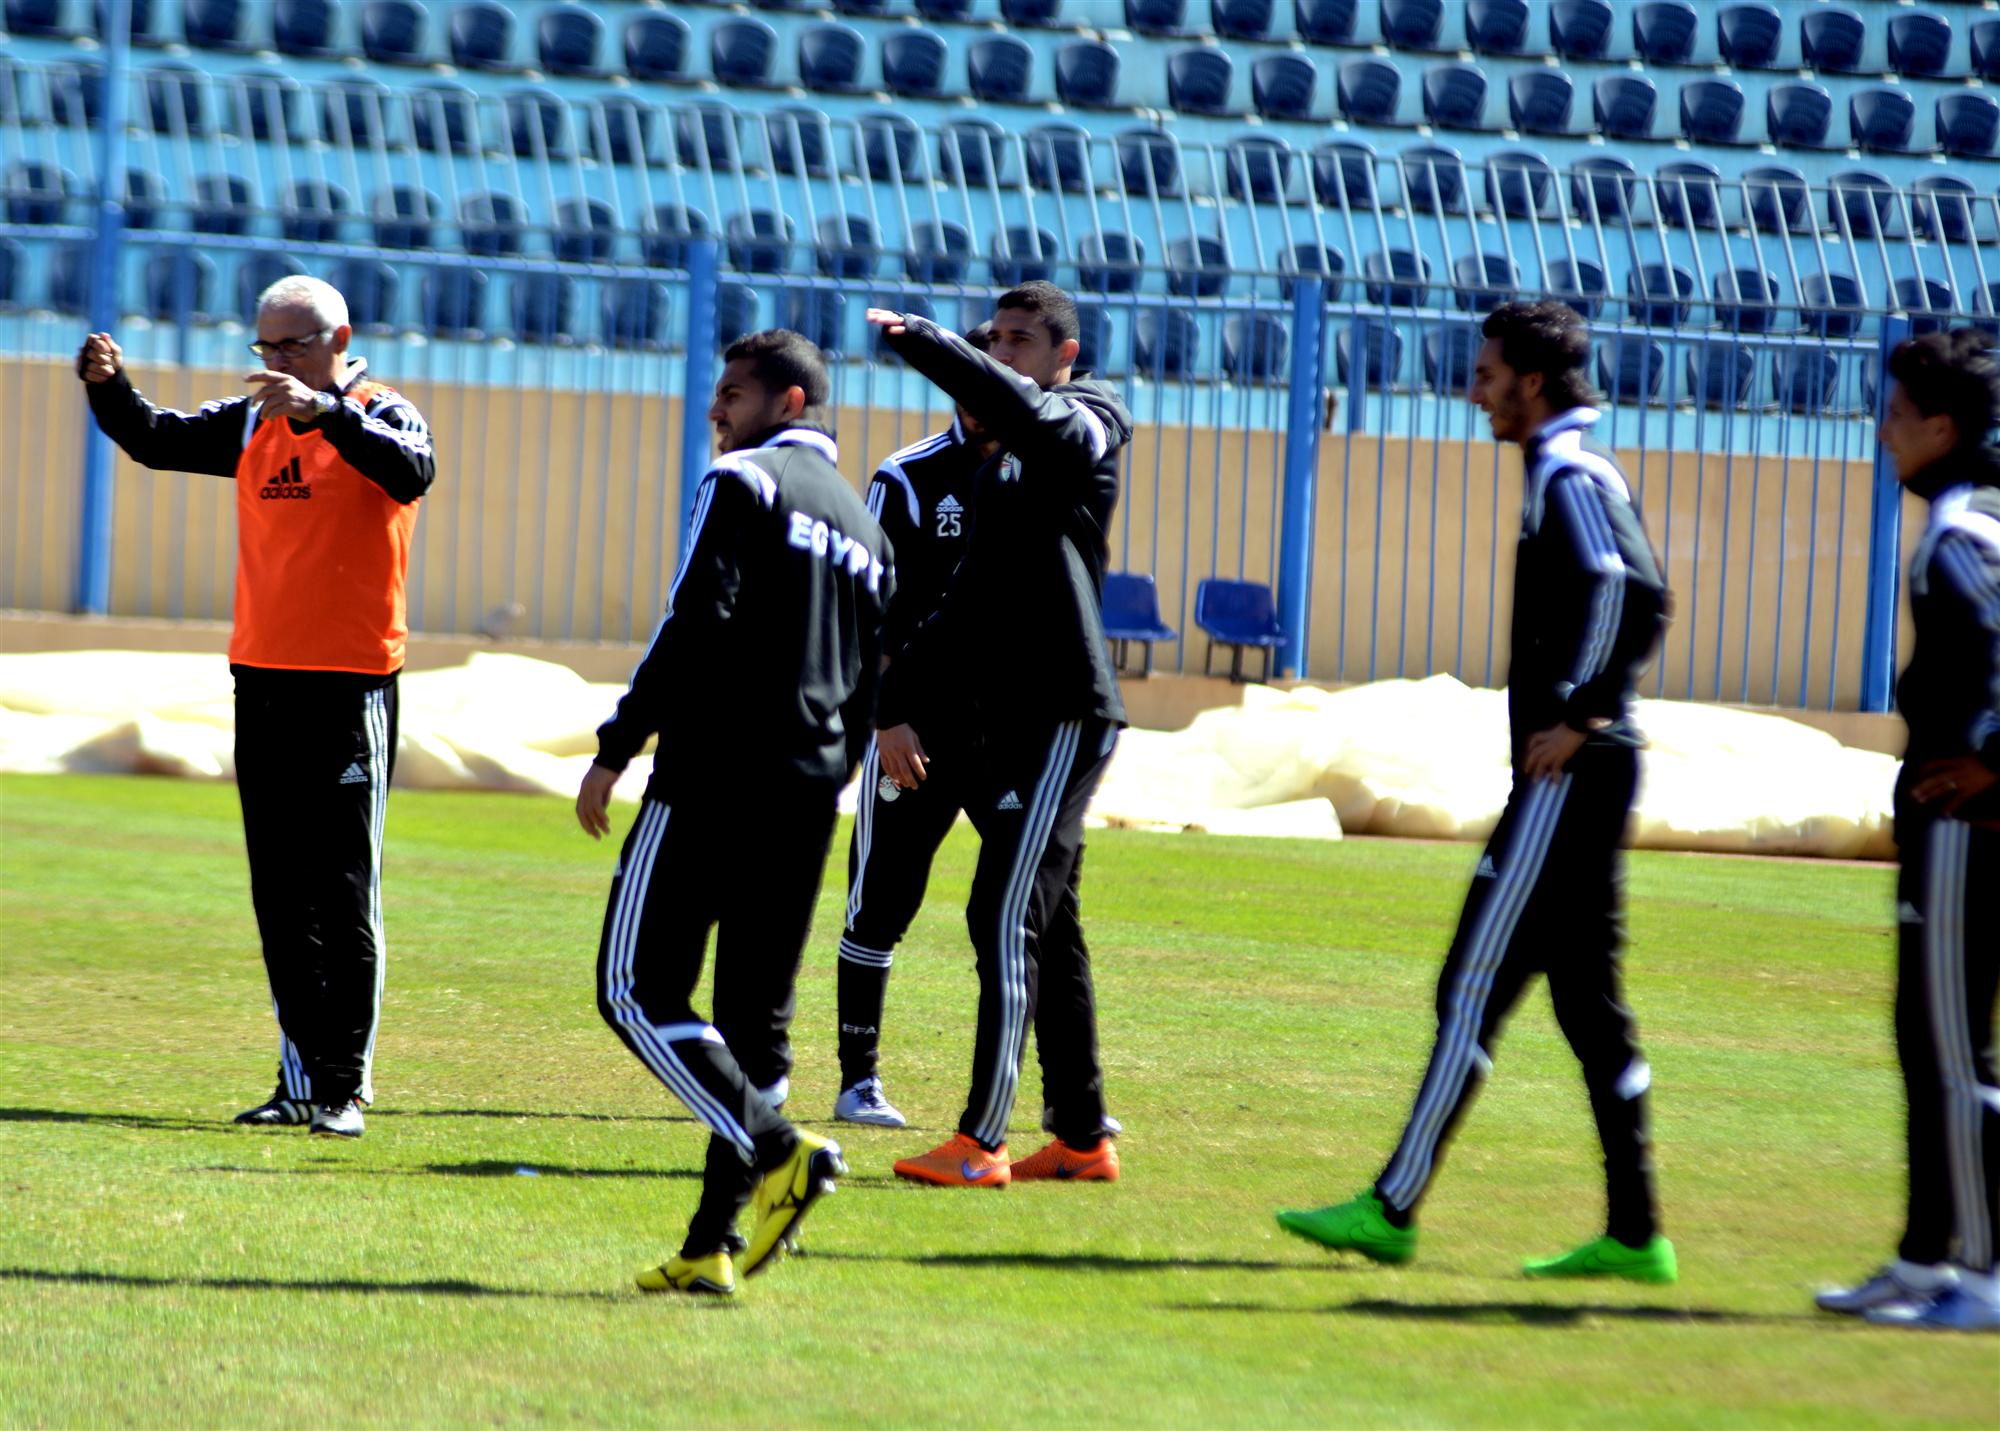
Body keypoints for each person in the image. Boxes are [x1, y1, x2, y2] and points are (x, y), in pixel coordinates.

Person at [1275, 301, 1677, 1283]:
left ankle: (1391, 1208)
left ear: (1532, 382)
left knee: (1470, 986)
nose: (1474, 391)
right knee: (1588, 1007)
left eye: (1487, 374)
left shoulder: (1569, 472)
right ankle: (1636, 1236)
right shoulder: (1570, 468)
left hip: (1567, 776)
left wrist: (1581, 715)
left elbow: (1632, 590)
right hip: (1587, 769)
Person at [77, 274, 435, 1140]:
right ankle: (301, 1080)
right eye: (265, 347)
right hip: (263, 677)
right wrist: (109, 388)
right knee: (280, 895)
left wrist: (325, 413)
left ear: (339, 339)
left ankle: (345, 1086)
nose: (275, 362)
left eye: (292, 346)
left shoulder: (385, 411)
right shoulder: (250, 421)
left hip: (350, 683)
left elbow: (412, 470)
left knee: (344, 892)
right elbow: (155, 439)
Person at [577, 329, 893, 1296]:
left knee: (634, 990)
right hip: (811, 792)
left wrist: (618, 743)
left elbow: (695, 619)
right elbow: (872, 679)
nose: (716, 410)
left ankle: (779, 1146)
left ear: (789, 404)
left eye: (734, 394)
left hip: (713, 776)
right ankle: (712, 1243)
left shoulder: (745, 480)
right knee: (756, 1026)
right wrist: (832, 770)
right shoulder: (869, 530)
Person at [864, 281, 1131, 1187]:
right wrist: (887, 702)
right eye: (995, 340)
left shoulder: (1092, 416)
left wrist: (932, 343)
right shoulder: (997, 471)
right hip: (1009, 721)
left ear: (1065, 354)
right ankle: (1084, 1137)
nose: (1004, 353)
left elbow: (1045, 420)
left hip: (1064, 711)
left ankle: (982, 1142)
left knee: (1002, 911)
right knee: (1050, 922)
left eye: (1020, 340)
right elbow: (962, 606)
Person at [1817, 327, 2000, 1332]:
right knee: (1924, 1041)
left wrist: (1993, 761)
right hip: (1949, 824)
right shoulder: (1972, 520)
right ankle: (1924, 1257)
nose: (1881, 431)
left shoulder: (1961, 533)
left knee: (1953, 1051)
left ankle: (1982, 1274)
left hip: (1965, 826)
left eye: (1894, 414)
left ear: (1942, 426)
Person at [833, 323, 998, 1129]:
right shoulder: (906, 478)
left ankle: (1054, 1097)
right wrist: (887, 716)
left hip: (1008, 738)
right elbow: (865, 610)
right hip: (918, 735)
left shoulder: (1048, 471)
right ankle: (857, 1080)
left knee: (1028, 911)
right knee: (881, 901)